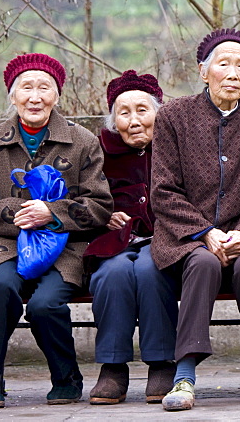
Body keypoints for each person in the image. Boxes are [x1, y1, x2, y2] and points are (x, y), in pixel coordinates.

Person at [0, 53, 113, 409]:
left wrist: (51, 212)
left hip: (66, 247)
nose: (35, 96)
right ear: (12, 96)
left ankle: (66, 376)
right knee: (0, 289)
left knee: (45, 304)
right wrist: (21, 211)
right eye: (25, 87)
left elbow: (101, 206)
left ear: (57, 95)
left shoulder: (82, 142)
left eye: (44, 87)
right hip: (9, 245)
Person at [149, 29, 240, 411]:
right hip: (186, 238)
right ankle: (184, 375)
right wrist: (205, 232)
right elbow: (163, 190)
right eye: (222, 63)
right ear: (203, 71)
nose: (232, 72)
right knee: (204, 261)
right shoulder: (174, 116)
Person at [83, 70, 177, 405]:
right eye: (124, 113)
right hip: (114, 241)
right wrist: (103, 214)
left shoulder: (176, 146)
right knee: (113, 273)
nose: (134, 120)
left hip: (166, 238)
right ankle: (112, 366)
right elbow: (80, 197)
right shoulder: (96, 151)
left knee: (152, 271)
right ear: (113, 120)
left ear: (158, 113)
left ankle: (162, 362)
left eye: (143, 110)